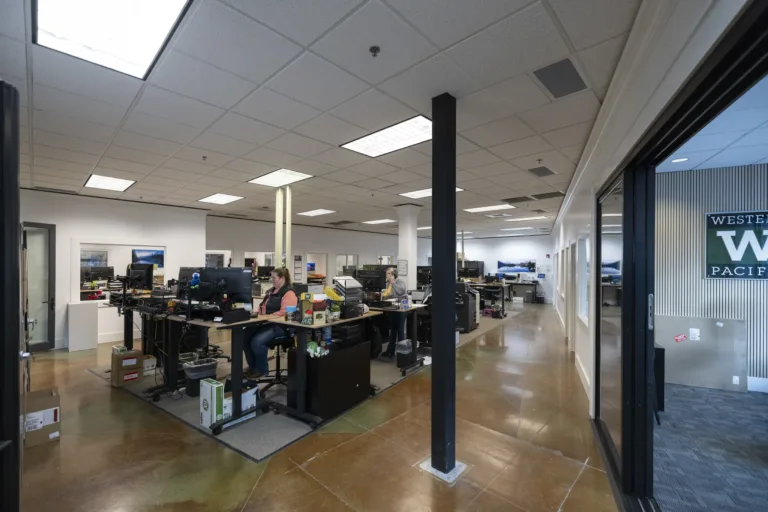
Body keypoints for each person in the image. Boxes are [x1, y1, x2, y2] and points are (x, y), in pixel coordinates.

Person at [244, 268, 297, 378]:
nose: (271, 280)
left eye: (274, 278)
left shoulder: (289, 292)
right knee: (244, 339)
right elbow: (262, 306)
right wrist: (256, 312)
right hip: (265, 323)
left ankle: (261, 370)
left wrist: (267, 317)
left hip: (281, 326)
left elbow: (284, 312)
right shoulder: (271, 291)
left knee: (256, 342)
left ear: (282, 278)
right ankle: (252, 367)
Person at [381, 267, 408, 358]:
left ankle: (401, 352)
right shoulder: (388, 283)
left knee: (400, 331)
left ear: (393, 274)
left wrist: (393, 283)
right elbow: (389, 294)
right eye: (387, 273)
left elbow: (401, 291)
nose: (387, 275)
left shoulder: (400, 281)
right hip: (392, 308)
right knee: (392, 330)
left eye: (389, 273)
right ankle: (391, 350)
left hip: (401, 308)